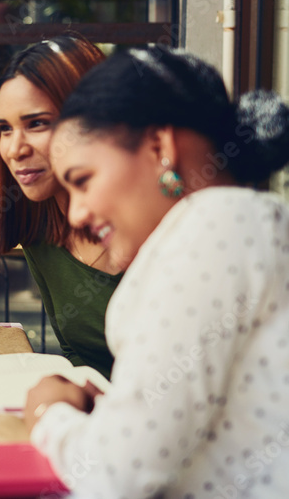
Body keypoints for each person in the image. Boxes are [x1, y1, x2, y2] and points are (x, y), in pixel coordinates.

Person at [24, 45, 289, 497]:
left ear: (159, 147)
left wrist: (50, 416)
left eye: (83, 180)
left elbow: (118, 476)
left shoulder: (213, 225)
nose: (76, 214)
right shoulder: (244, 222)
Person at [0, 36, 121, 378]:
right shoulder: (39, 227)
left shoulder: (155, 226)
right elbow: (77, 355)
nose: (15, 149)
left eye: (36, 123)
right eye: (5, 129)